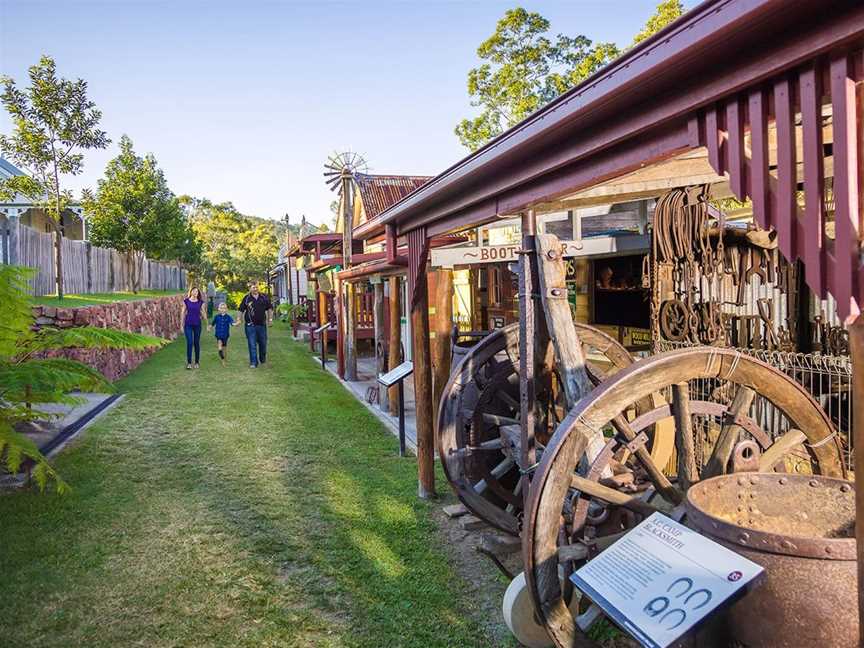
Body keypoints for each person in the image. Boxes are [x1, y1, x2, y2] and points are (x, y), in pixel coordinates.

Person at [238, 281, 273, 368]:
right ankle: (253, 362)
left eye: (256, 287)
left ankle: (262, 359)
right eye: (253, 287)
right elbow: (240, 309)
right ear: (250, 288)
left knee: (263, 343)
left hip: (262, 325)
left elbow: (269, 308)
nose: (255, 289)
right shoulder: (247, 298)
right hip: (250, 325)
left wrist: (270, 319)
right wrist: (239, 319)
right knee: (252, 344)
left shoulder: (264, 297)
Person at [181, 286, 205, 369]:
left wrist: (207, 322)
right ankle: (189, 363)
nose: (195, 293)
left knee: (196, 343)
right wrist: (181, 325)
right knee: (190, 342)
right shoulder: (186, 301)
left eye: (197, 292)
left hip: (197, 325)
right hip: (188, 324)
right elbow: (183, 313)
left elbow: (203, 313)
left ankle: (197, 362)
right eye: (194, 291)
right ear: (191, 292)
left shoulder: (201, 302)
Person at [209, 302, 237, 366]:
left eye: (224, 308)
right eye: (221, 308)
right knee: (220, 347)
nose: (222, 309)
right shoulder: (216, 317)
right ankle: (223, 360)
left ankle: (225, 358)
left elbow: (232, 323)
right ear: (219, 309)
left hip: (225, 335)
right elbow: (212, 324)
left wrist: (236, 323)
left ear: (226, 309)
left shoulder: (228, 317)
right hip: (218, 334)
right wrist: (209, 327)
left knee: (224, 348)